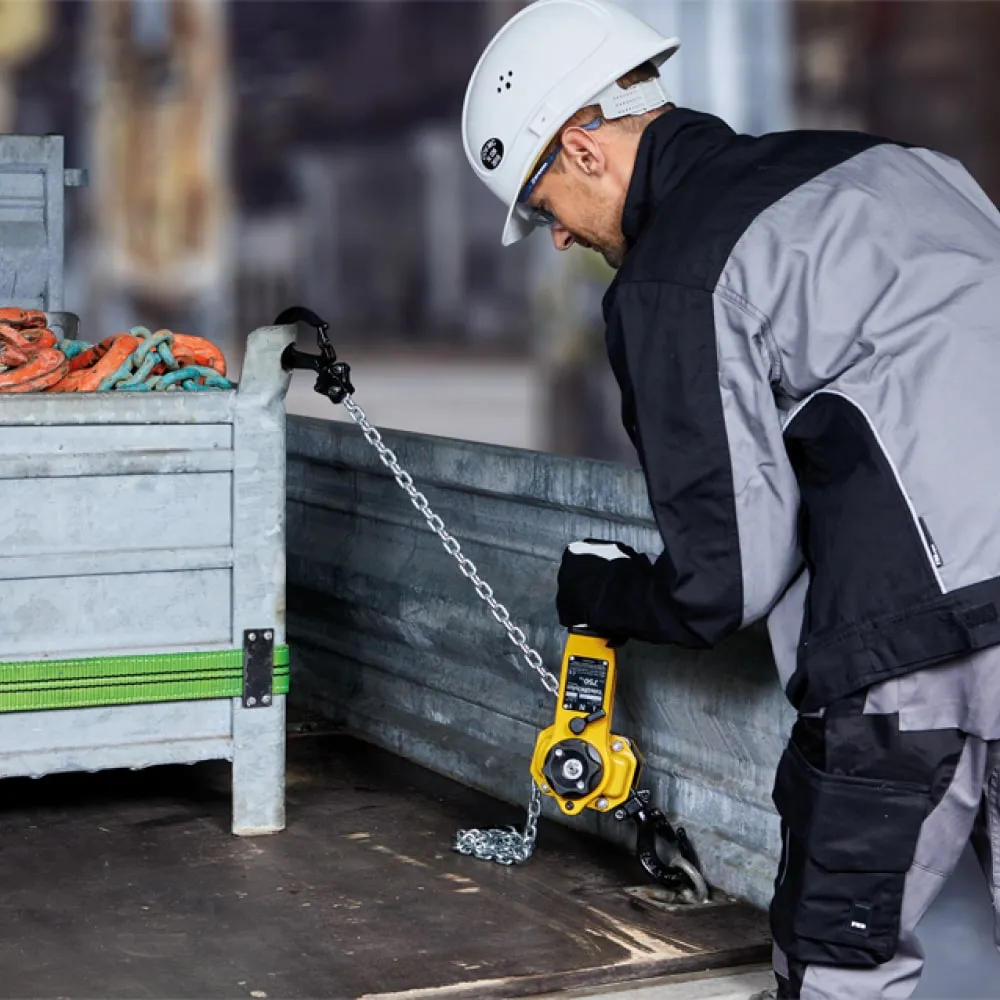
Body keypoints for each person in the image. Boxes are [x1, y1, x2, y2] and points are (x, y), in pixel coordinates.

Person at [462, 1, 1000, 998]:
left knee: (836, 965)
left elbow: (725, 582)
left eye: (542, 208)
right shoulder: (898, 166)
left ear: (582, 148)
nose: (557, 239)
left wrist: (605, 593)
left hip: (915, 641)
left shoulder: (674, 277)